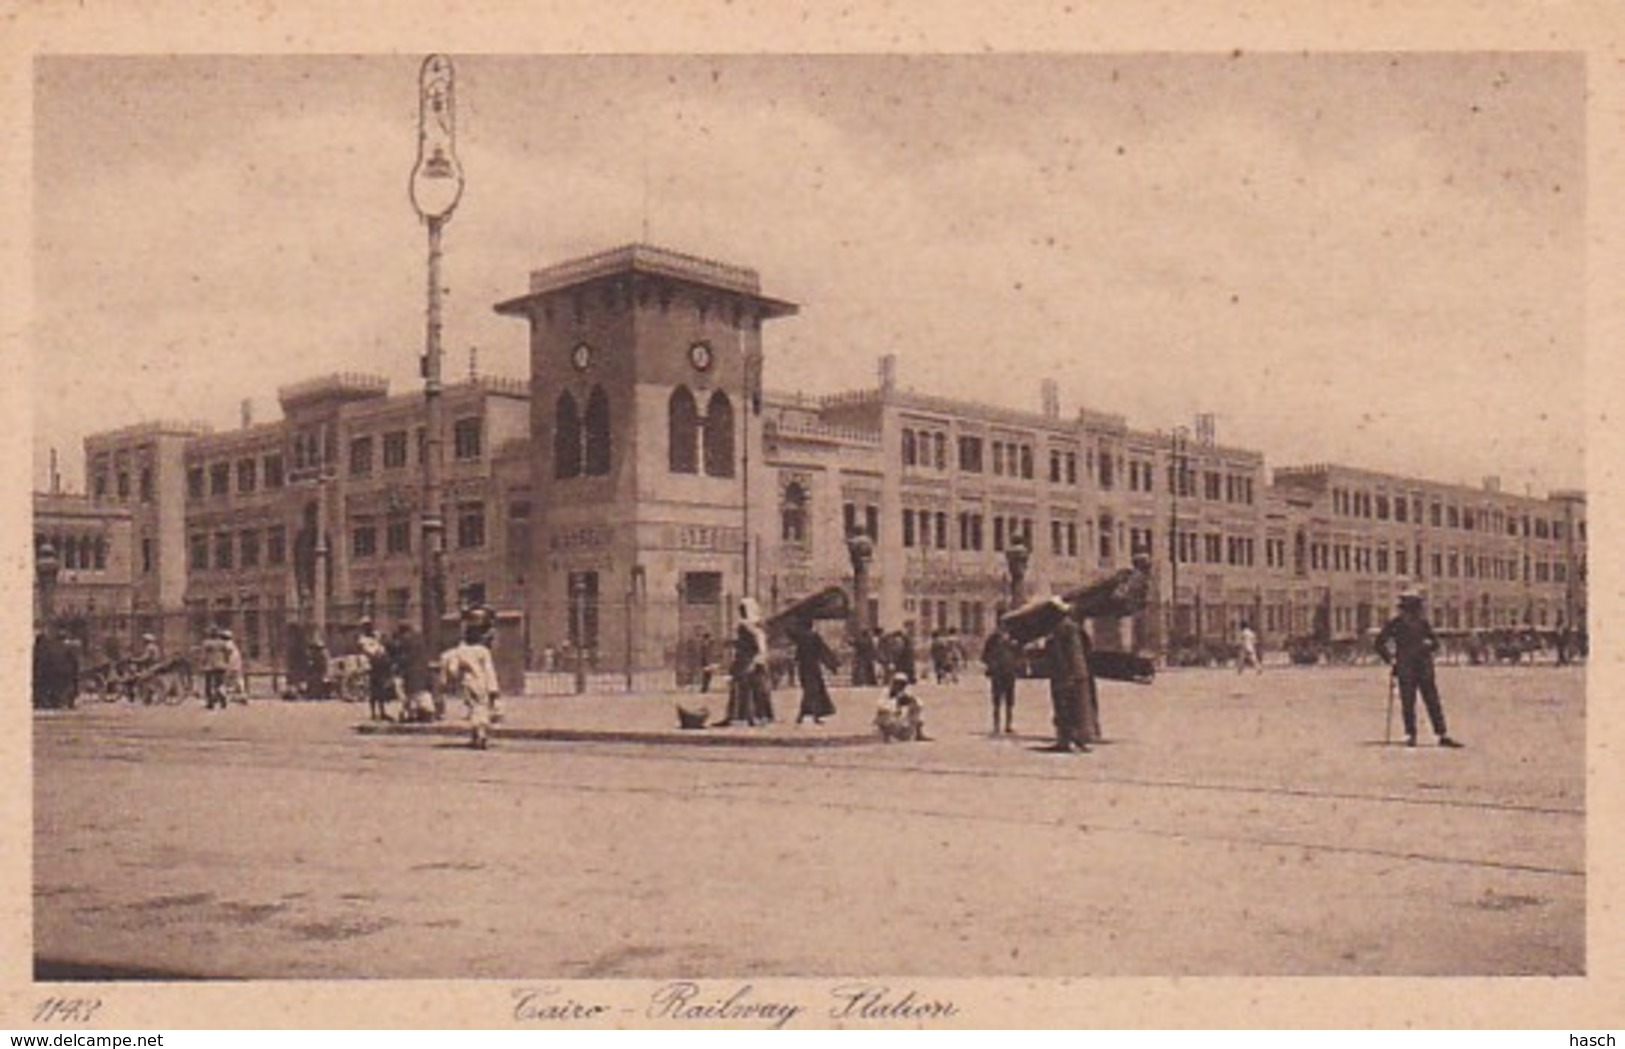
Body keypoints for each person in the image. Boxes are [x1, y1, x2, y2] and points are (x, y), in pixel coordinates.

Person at [1375, 587, 1463, 749]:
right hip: (1406, 668)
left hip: (1423, 668)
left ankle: (1441, 734)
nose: (1413, 611)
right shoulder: (1396, 624)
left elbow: (1435, 643)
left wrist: (1427, 646)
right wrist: (1391, 660)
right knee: (1409, 702)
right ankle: (1411, 734)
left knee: (1432, 701)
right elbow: (1379, 643)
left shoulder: (1423, 623)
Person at [1042, 597, 1096, 753]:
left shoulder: (1061, 629)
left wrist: (1064, 674)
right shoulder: (1075, 629)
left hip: (1066, 675)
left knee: (1065, 708)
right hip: (1080, 674)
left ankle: (1066, 740)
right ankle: (1080, 740)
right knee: (1080, 708)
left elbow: (1059, 655)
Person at [441, 620, 500, 750]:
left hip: (467, 682)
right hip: (481, 681)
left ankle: (475, 735)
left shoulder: (460, 651)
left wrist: (456, 677)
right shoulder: (483, 651)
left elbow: (452, 669)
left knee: (473, 707)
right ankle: (481, 734)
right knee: (482, 707)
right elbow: (489, 670)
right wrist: (493, 689)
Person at [717, 597, 770, 727]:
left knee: (749, 690)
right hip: (747, 660)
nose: (741, 612)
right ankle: (747, 717)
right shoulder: (754, 625)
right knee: (745, 689)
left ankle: (750, 717)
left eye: (743, 609)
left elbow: (755, 644)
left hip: (748, 660)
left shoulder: (748, 626)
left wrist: (754, 659)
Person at [790, 619, 839, 724]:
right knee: (813, 691)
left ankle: (802, 716)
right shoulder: (813, 637)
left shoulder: (801, 638)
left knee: (809, 691)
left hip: (803, 668)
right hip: (813, 668)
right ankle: (812, 716)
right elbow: (823, 651)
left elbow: (797, 655)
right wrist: (832, 665)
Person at [981, 619, 1021, 734]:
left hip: (1009, 672)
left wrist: (1017, 665)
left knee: (1010, 700)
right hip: (997, 673)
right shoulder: (992, 640)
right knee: (997, 700)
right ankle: (997, 725)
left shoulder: (1013, 640)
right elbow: (985, 656)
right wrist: (992, 665)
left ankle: (1008, 724)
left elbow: (1019, 654)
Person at [391, 622, 435, 723]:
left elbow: (403, 656)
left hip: (411, 670)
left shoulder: (405, 640)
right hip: (422, 669)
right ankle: (426, 712)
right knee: (421, 692)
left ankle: (412, 713)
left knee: (412, 693)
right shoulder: (419, 639)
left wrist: (398, 665)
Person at [875, 672, 929, 742]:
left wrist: (912, 701)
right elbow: (881, 707)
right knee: (882, 714)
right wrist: (896, 702)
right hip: (890, 723)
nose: (899, 686)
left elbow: (920, 704)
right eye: (897, 683)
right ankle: (886, 737)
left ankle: (919, 733)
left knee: (917, 706)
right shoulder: (886, 692)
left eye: (902, 683)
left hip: (903, 726)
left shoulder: (907, 693)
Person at [357, 619, 393, 721]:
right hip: (371, 665)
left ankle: (382, 711)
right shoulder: (362, 639)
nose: (369, 627)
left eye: (370, 625)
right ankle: (373, 713)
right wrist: (375, 654)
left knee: (382, 689)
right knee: (373, 690)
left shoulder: (376, 635)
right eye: (366, 626)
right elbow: (366, 651)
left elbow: (382, 645)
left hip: (380, 664)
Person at [199, 626, 232, 711]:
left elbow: (203, 655)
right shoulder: (222, 643)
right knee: (220, 684)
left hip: (210, 666)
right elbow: (228, 652)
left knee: (208, 685)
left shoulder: (206, 643)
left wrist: (202, 663)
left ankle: (210, 703)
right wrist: (226, 661)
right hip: (221, 665)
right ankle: (223, 700)